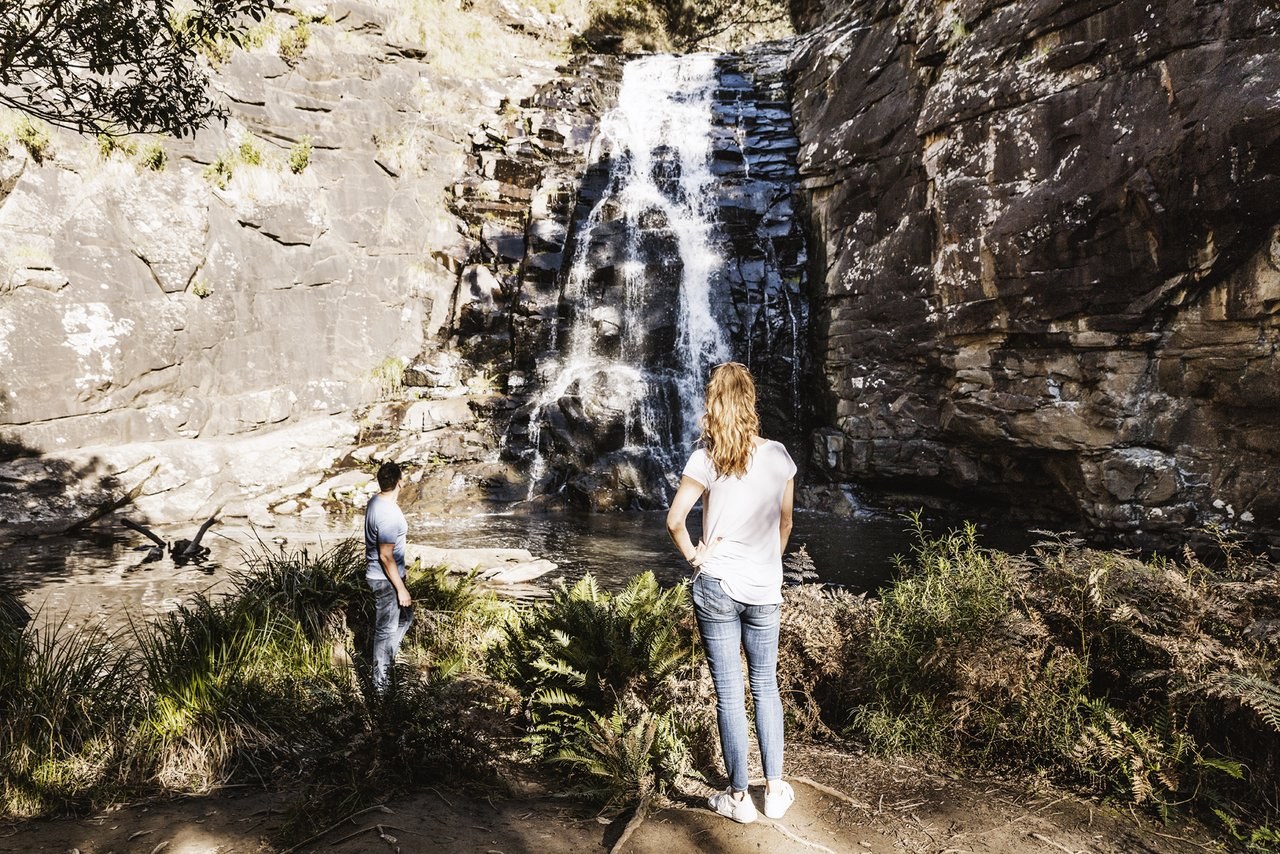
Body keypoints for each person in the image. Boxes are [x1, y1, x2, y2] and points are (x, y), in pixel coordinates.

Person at [666, 362, 797, 824]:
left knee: (729, 693)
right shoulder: (780, 456)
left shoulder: (707, 457)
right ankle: (775, 790)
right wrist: (769, 562)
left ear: (713, 403)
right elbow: (785, 523)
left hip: (717, 584)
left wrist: (695, 556)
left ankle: (739, 798)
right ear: (751, 402)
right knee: (765, 686)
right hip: (765, 587)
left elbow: (675, 521)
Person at [364, 460, 412, 691]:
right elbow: (385, 556)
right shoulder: (388, 514)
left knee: (405, 618)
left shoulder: (376, 501)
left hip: (386, 577)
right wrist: (400, 588)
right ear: (399, 483)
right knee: (385, 631)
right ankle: (380, 688)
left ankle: (387, 664)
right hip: (385, 581)